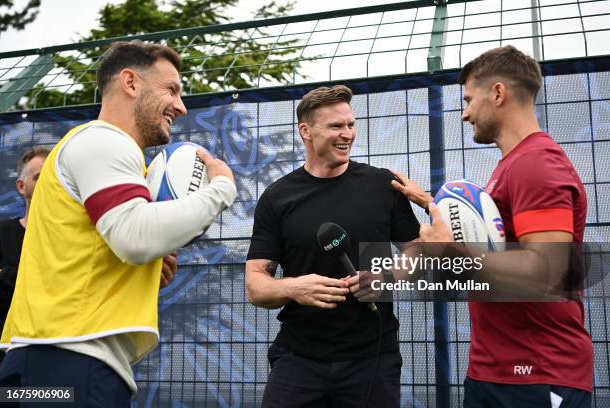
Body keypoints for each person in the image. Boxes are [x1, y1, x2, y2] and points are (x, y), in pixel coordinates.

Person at [0, 40, 237, 407]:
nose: (181, 105)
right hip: (69, 361)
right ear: (130, 82)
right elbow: (135, 237)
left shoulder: (100, 150)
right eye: (171, 89)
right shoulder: (105, 141)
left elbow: (106, 247)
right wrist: (220, 188)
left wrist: (141, 269)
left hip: (48, 360)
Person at [392, 45, 593, 407]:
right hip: (496, 371)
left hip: (535, 374)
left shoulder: (536, 165)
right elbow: (496, 245)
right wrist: (431, 205)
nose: (465, 114)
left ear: (498, 93)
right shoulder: (513, 166)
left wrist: (450, 248)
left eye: (469, 100)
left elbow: (548, 271)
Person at [245, 85, 420, 408]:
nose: (347, 134)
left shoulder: (381, 185)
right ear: (306, 131)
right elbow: (256, 285)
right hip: (299, 359)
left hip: (372, 359)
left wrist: (385, 279)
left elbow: (419, 253)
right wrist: (295, 288)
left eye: (351, 125)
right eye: (336, 126)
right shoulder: (278, 197)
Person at [0, 147, 49, 366]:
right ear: (21, 186)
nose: (47, 184)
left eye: (52, 178)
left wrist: (5, 276)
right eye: (39, 177)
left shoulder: (73, 240)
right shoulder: (1, 232)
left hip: (52, 360)